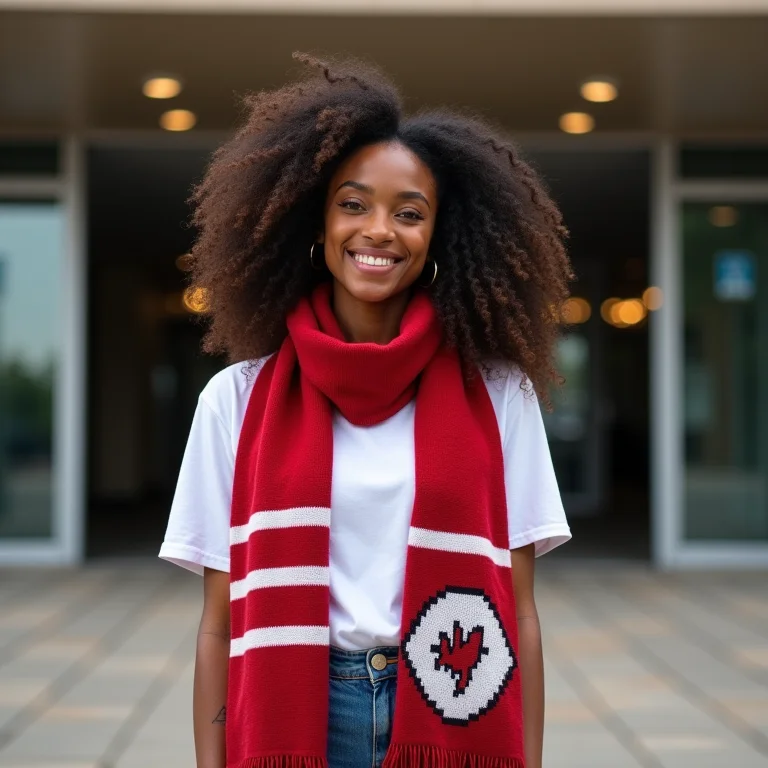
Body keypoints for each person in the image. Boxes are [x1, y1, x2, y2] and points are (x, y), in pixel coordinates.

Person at [160, 53, 572, 768]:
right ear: (315, 225)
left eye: (409, 213)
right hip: (304, 709)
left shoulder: (500, 393)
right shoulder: (237, 400)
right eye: (353, 204)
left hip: (451, 706)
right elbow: (217, 623)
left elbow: (521, 611)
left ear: (437, 237)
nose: (379, 230)